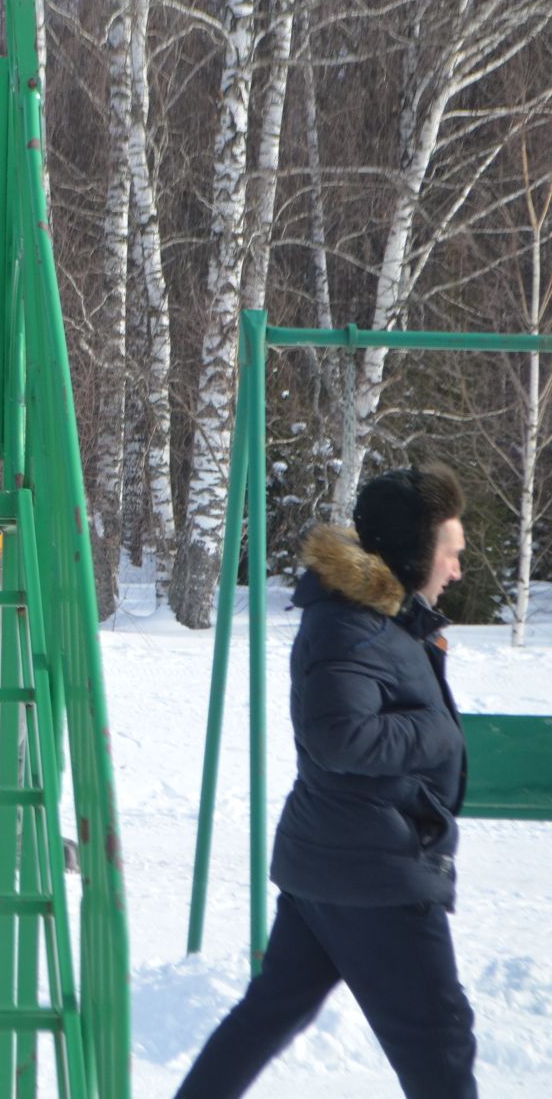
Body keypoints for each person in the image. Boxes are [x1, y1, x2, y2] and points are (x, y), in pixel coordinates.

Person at [177, 462, 476, 1098]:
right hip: (373, 872)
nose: (456, 570)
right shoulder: (352, 626)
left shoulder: (381, 622)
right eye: (449, 554)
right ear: (417, 551)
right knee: (439, 1041)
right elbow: (339, 735)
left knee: (268, 1016)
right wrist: (440, 732)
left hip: (336, 860)